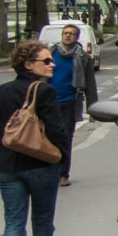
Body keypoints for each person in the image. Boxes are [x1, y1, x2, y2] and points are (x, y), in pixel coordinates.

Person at [0, 41, 69, 236]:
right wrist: (62, 160)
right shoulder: (44, 91)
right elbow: (57, 130)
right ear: (28, 64)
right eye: (46, 61)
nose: (52, 64)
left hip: (8, 168)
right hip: (41, 165)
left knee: (13, 223)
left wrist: (2, 156)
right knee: (42, 220)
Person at [47, 24, 89, 187]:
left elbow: (90, 85)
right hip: (49, 102)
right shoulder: (50, 54)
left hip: (70, 102)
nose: (68, 36)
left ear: (76, 37)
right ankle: (50, 171)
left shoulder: (82, 57)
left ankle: (63, 174)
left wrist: (92, 109)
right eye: (65, 33)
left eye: (71, 34)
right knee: (49, 138)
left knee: (65, 138)